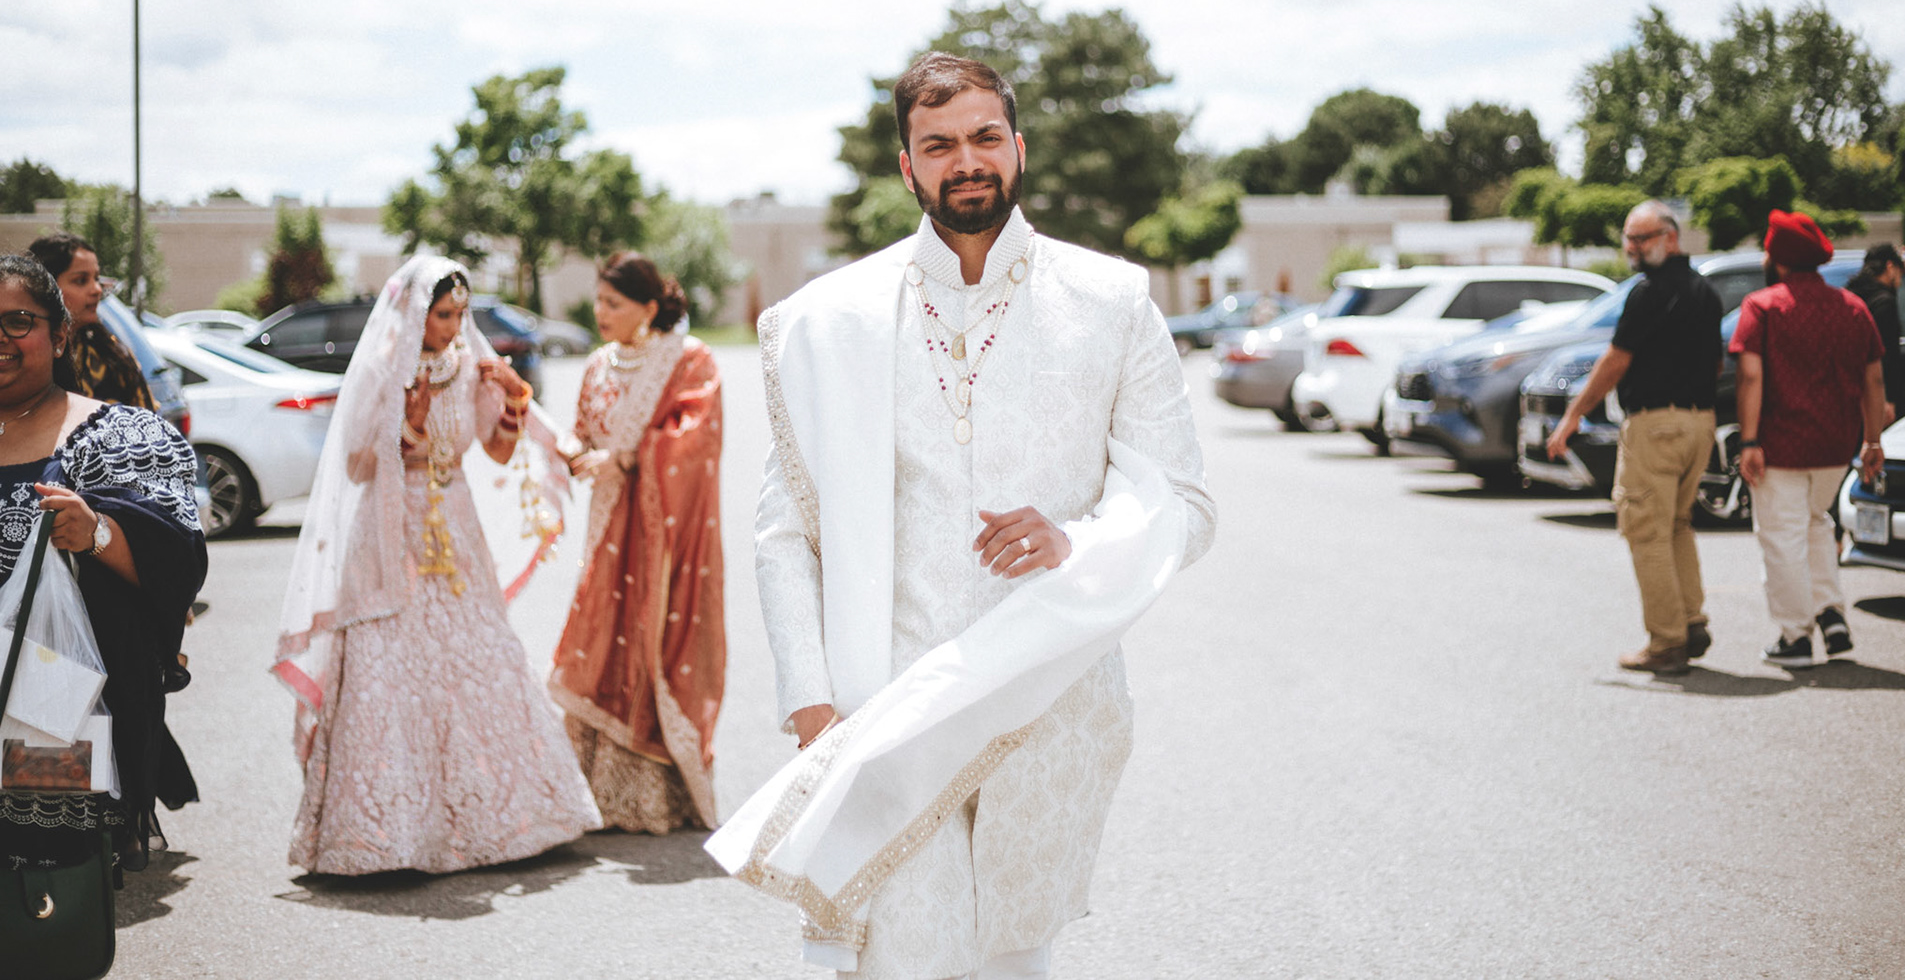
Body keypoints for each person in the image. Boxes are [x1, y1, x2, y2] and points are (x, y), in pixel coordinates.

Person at [708, 53, 1215, 979]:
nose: (966, 160)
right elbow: (786, 530)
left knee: (1013, 958)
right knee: (906, 954)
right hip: (890, 707)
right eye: (938, 145)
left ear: (1018, 148)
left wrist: (1078, 542)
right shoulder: (831, 320)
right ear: (908, 167)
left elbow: (1184, 501)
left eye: (985, 137)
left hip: (1047, 701)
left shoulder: (1110, 302)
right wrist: (812, 701)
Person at [274, 255, 600, 874]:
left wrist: (511, 400)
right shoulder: (381, 370)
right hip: (390, 530)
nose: (454, 328)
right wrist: (409, 428)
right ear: (416, 312)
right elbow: (355, 467)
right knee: (390, 670)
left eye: (459, 315)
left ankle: (504, 820)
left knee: (483, 656)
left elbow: (498, 453)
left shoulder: (466, 366)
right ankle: (386, 833)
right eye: (443, 315)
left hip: (456, 528)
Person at [0, 254, 206, 875]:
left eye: (17, 321)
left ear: (60, 335)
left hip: (52, 714)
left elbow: (177, 565)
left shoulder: (117, 437)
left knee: (50, 879)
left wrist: (97, 533)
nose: (1, 339)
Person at [547, 253, 724, 834]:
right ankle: (594, 789)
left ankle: (654, 796)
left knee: (652, 634)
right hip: (607, 528)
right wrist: (572, 451)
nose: (600, 312)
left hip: (660, 534)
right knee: (602, 633)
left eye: (613, 303)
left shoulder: (689, 361)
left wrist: (624, 458)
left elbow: (693, 442)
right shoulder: (598, 363)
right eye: (598, 301)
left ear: (649, 308)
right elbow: (582, 431)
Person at [1546, 201, 1724, 675]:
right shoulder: (1705, 292)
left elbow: (1616, 360)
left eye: (1642, 238)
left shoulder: (1648, 293)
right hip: (1699, 423)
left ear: (1671, 238)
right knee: (1677, 524)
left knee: (1646, 529)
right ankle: (1690, 621)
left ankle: (1667, 643)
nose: (1633, 248)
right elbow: (1716, 362)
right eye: (1629, 238)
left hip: (1656, 425)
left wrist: (1572, 417)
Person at [1731, 210, 1885, 668]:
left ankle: (1795, 635)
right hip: (1836, 446)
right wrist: (1872, 440)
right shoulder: (1852, 307)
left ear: (1777, 258)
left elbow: (1750, 377)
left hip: (1779, 445)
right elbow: (1874, 379)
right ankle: (1831, 615)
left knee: (1782, 537)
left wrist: (1748, 441)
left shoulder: (1762, 306)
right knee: (1817, 522)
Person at [28, 231, 155, 409]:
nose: (97, 289)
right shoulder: (19, 357)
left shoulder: (114, 358)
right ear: (45, 288)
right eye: (81, 280)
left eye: (96, 279)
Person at [1845, 242, 1905, 425]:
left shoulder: (1850, 296)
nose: (1901, 280)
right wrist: (1889, 399)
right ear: (1890, 267)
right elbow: (1887, 353)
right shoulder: (1884, 302)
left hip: (1848, 387)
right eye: (1900, 272)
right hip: (1876, 390)